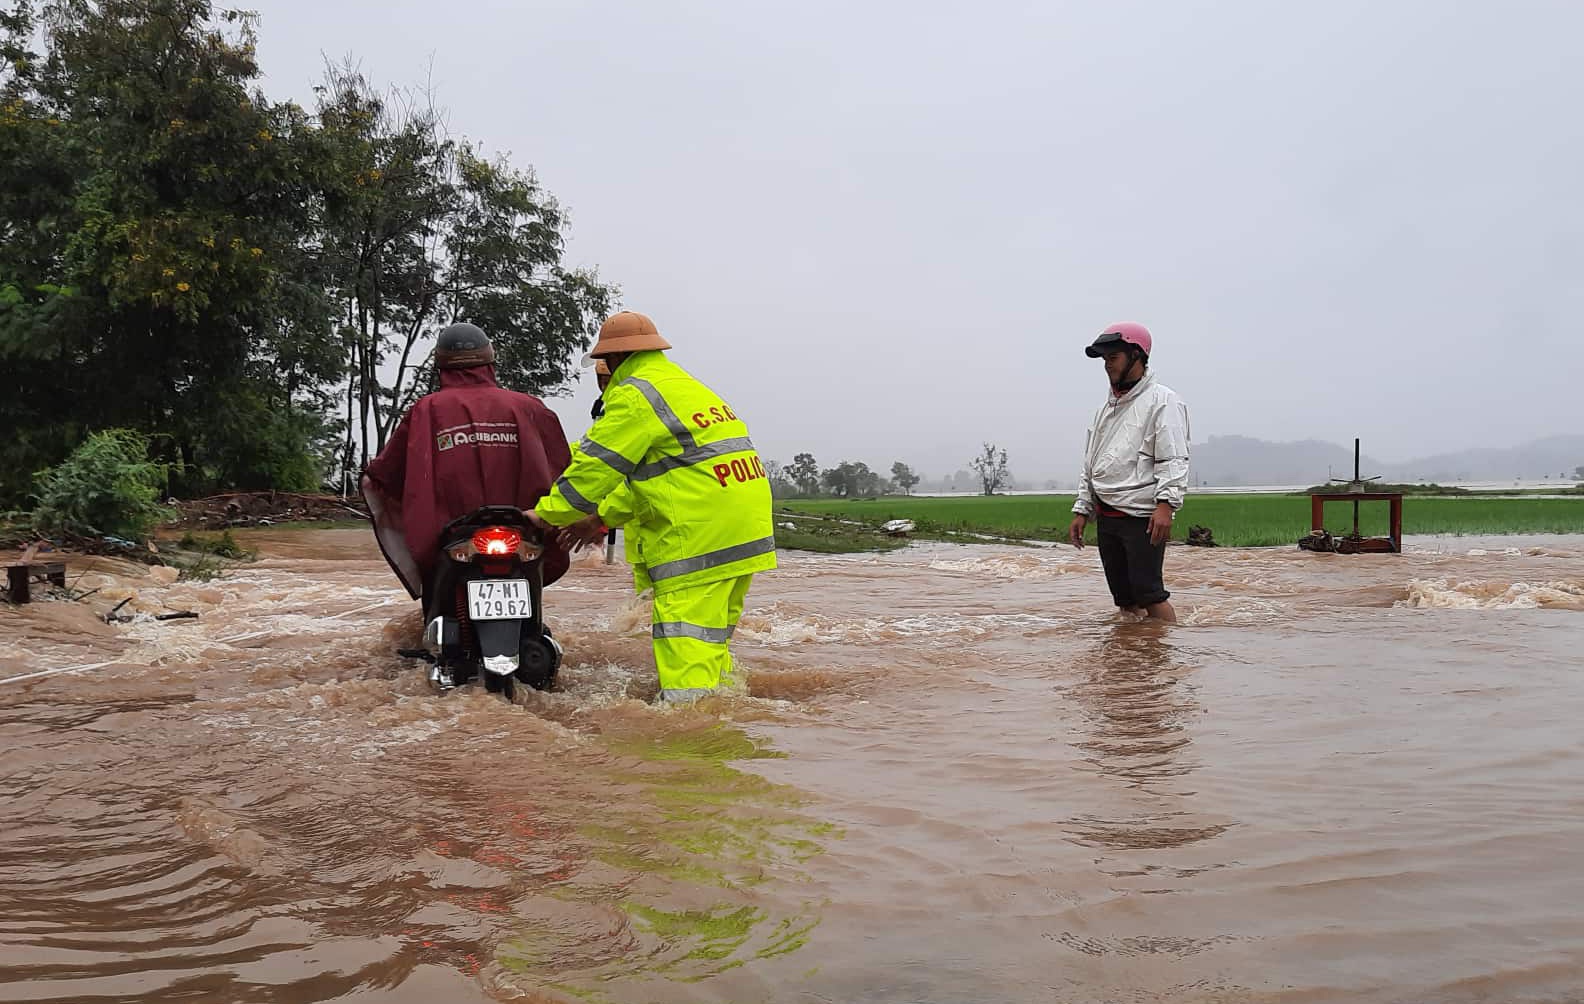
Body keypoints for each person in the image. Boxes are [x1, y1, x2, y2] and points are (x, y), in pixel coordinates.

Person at [528, 310, 776, 703]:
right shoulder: (683, 386)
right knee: (707, 641)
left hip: (699, 537)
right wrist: (602, 517)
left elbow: (596, 467)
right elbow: (659, 477)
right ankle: (726, 718)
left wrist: (545, 515)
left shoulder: (636, 395)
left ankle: (687, 743)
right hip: (742, 532)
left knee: (684, 642)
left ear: (612, 359)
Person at [362, 322, 571, 612]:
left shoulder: (426, 410)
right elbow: (563, 465)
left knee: (436, 615)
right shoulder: (529, 407)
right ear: (490, 360)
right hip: (523, 531)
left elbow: (389, 473)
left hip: (452, 537)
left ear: (441, 366)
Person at [1067, 322, 1191, 623]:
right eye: (1105, 360)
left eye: (1113, 358)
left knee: (1150, 594)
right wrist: (1083, 509)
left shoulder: (1163, 401)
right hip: (1107, 516)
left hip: (1142, 517)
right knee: (1124, 598)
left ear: (1137, 356)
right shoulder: (1104, 410)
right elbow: (1091, 463)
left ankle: (1164, 656)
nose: (1107, 365)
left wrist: (1166, 505)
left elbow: (1173, 457)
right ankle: (1131, 663)